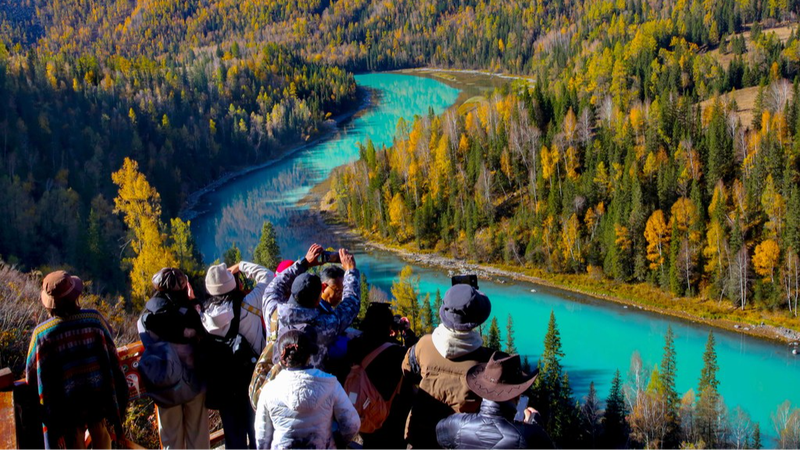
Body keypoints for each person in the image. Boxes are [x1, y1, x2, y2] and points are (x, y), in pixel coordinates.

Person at [26, 271, 129, 450]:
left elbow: (31, 373)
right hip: (97, 396)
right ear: (75, 296)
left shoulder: (41, 334)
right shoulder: (93, 319)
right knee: (101, 432)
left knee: (73, 440)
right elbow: (110, 346)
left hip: (65, 405)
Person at [402, 284, 495, 447]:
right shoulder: (486, 361)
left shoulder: (423, 344)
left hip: (419, 435)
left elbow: (407, 371)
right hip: (457, 441)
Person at [202, 260, 274, 450]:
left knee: (233, 437)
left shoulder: (204, 315)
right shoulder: (248, 304)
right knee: (259, 433)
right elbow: (268, 276)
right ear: (233, 284)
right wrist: (241, 265)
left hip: (224, 383)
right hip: (253, 378)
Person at [138, 268, 208, 450]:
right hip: (193, 381)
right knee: (198, 434)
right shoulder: (189, 313)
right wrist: (194, 303)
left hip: (166, 384)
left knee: (171, 438)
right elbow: (204, 334)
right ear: (184, 286)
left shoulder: (147, 315)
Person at [255, 329, 360, 450]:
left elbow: (262, 438)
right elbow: (352, 425)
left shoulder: (270, 390)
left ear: (282, 358)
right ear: (309, 356)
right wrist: (337, 442)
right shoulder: (331, 384)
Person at [263, 244, 361, 369]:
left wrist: (305, 262)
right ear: (317, 301)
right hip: (312, 381)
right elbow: (351, 304)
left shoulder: (273, 311)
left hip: (276, 379)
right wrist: (351, 270)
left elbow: (276, 285)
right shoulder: (324, 325)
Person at [436, 353, 554, 449]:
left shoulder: (457, 425)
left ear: (483, 388)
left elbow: (440, 436)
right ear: (517, 393)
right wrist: (535, 425)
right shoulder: (530, 435)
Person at [345, 303, 412, 449]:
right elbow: (414, 357)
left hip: (363, 412)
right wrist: (407, 333)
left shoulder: (353, 346)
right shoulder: (397, 353)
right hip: (390, 421)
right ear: (388, 326)